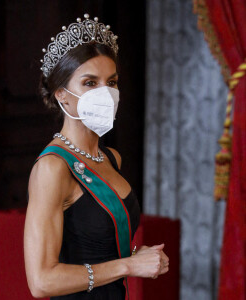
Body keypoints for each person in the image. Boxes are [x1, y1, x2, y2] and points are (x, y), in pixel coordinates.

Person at [24, 13, 169, 299]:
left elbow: (98, 246)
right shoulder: (53, 168)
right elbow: (41, 282)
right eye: (90, 83)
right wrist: (128, 265)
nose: (105, 93)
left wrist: (139, 257)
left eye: (111, 82)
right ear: (61, 94)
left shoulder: (111, 158)